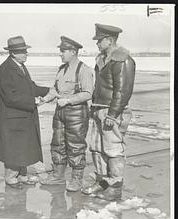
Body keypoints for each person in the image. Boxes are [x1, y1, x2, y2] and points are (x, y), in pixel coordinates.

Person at [0, 36, 59, 189]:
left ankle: (21, 175)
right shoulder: (5, 70)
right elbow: (11, 97)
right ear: (13, 53)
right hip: (12, 117)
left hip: (20, 116)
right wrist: (34, 101)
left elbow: (30, 87)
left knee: (21, 147)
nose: (26, 54)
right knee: (13, 148)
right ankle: (11, 177)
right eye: (22, 52)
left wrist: (48, 90)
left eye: (25, 51)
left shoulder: (19, 66)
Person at [82, 23, 135, 201]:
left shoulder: (122, 59)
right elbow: (100, 87)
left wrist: (113, 114)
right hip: (99, 109)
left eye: (99, 40)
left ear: (110, 40)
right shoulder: (102, 59)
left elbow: (123, 91)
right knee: (97, 148)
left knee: (113, 150)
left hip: (112, 112)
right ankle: (102, 182)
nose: (97, 44)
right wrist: (94, 107)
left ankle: (114, 187)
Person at [40, 36, 94, 192]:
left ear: (73, 51)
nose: (60, 54)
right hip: (60, 112)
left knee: (76, 146)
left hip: (76, 114)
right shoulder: (61, 69)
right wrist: (44, 99)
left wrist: (69, 100)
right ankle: (58, 176)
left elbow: (88, 93)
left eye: (63, 51)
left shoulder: (83, 70)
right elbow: (54, 90)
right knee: (57, 144)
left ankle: (77, 179)